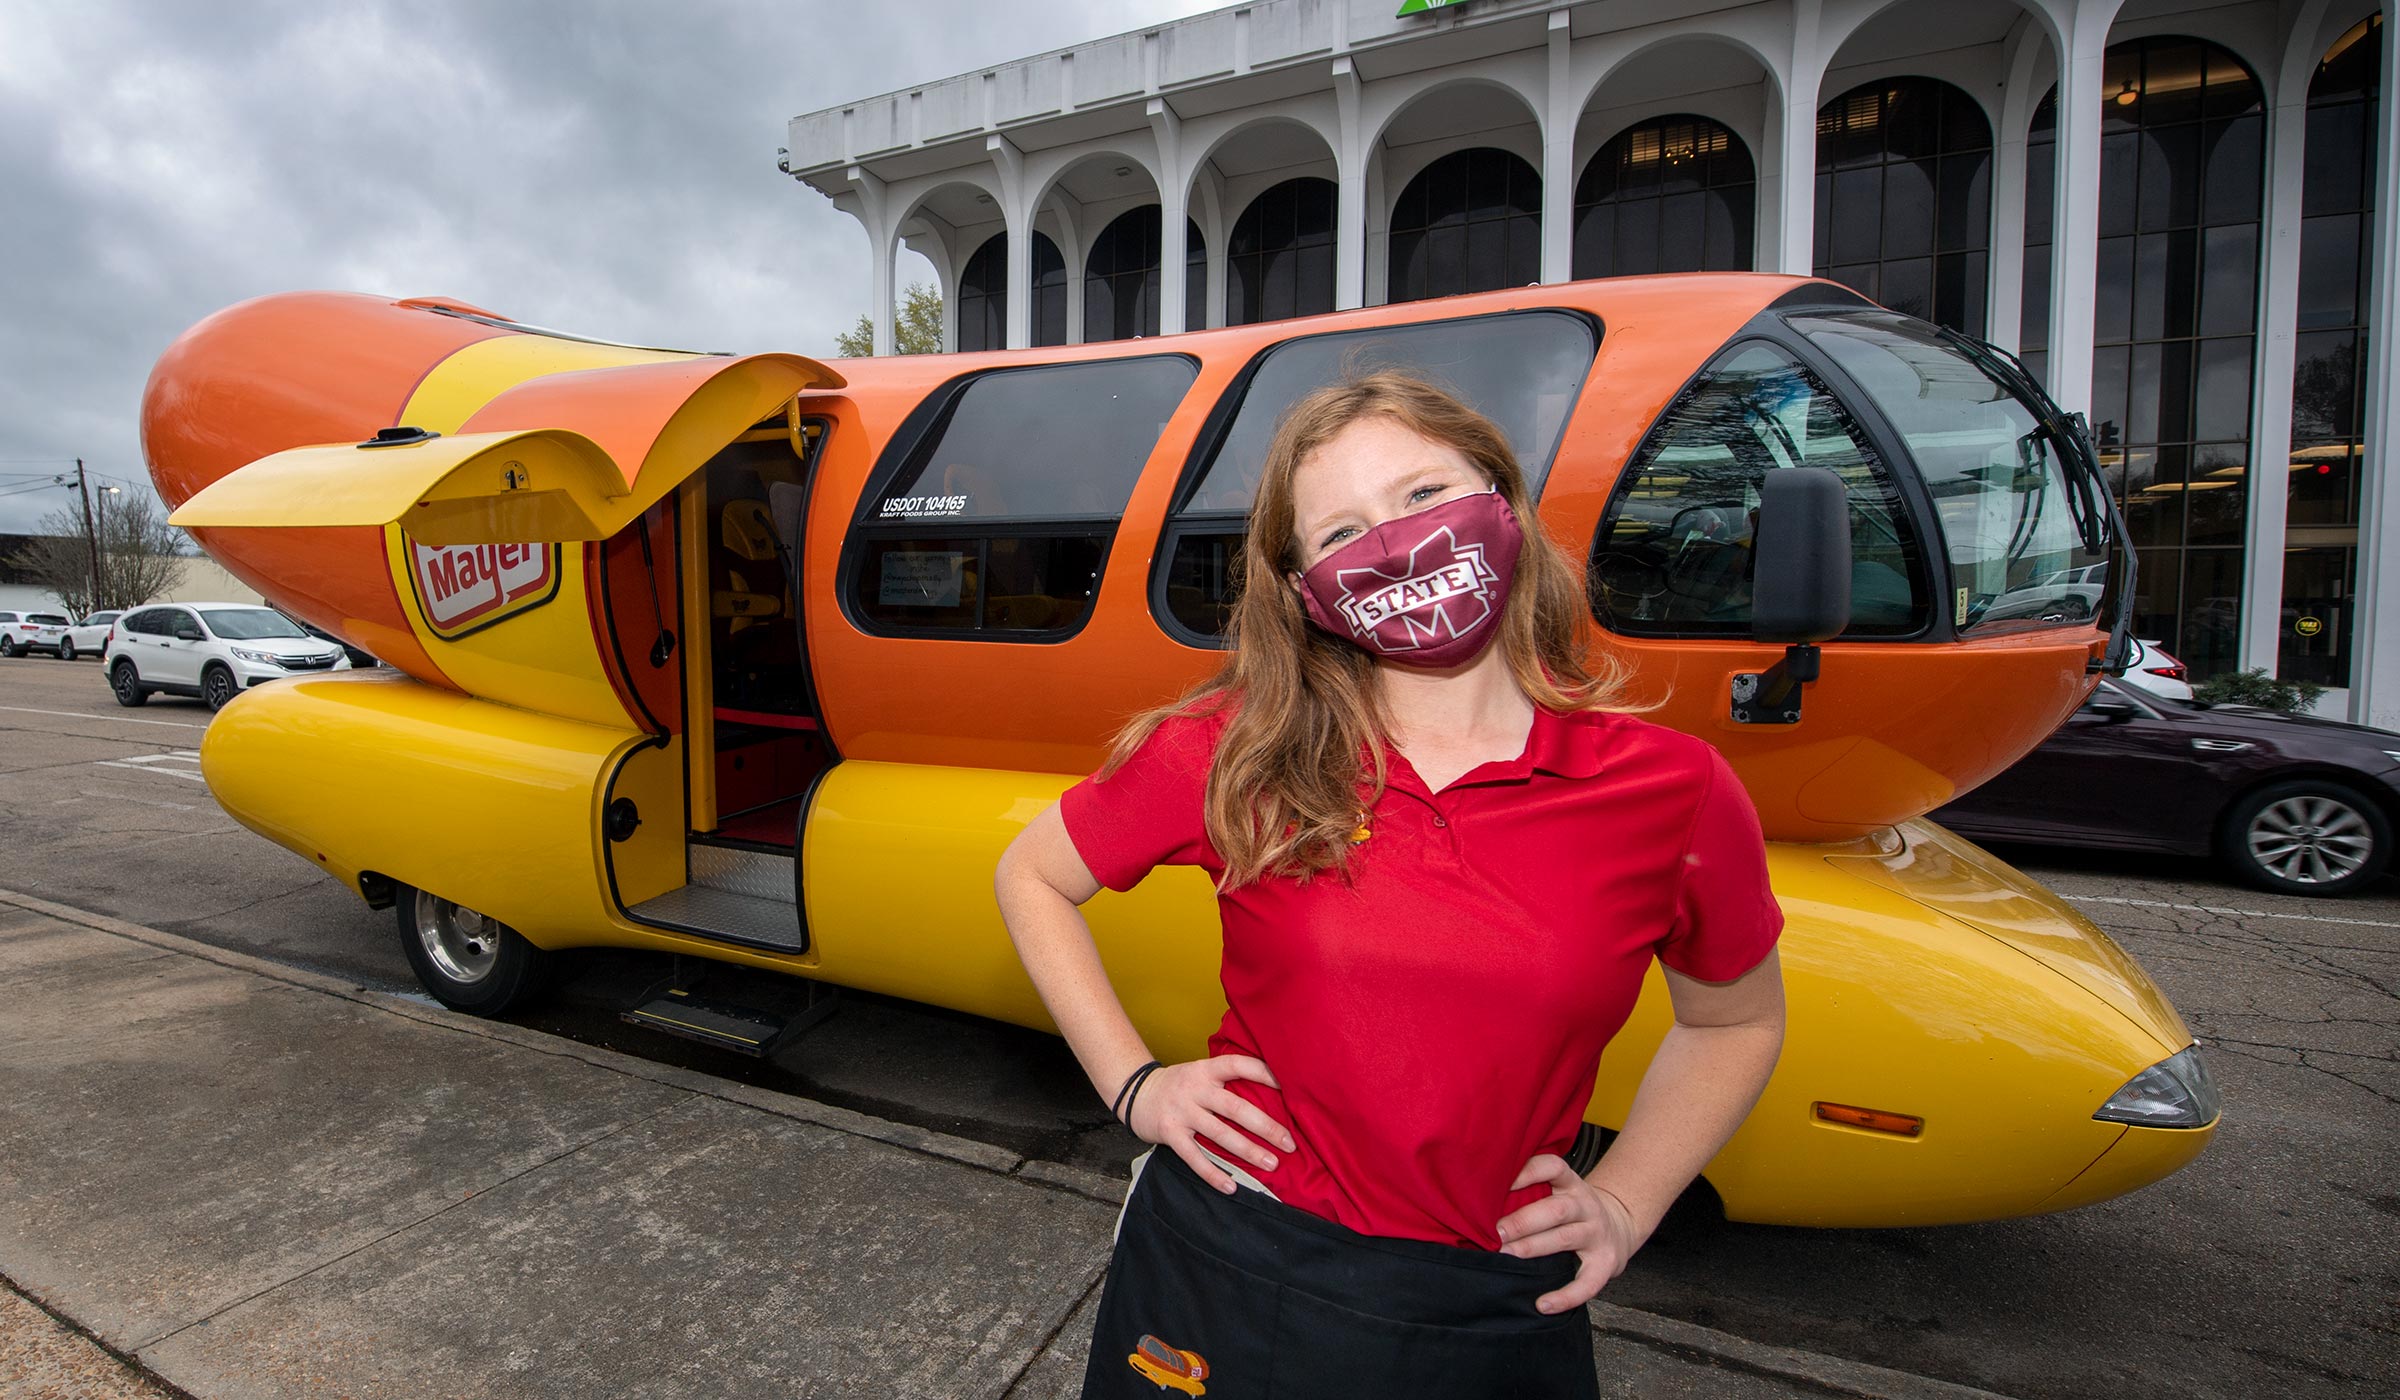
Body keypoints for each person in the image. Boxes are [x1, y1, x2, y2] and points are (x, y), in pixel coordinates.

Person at [993, 372, 1786, 1400]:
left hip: (1493, 1299)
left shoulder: (1672, 789)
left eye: (1422, 495)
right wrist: (1136, 1084)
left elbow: (1735, 1022)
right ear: (1303, 589)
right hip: (1230, 1255)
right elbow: (1034, 874)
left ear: (1500, 498)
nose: (1397, 543)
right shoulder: (1237, 749)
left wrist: (1629, 1199)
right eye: (1340, 531)